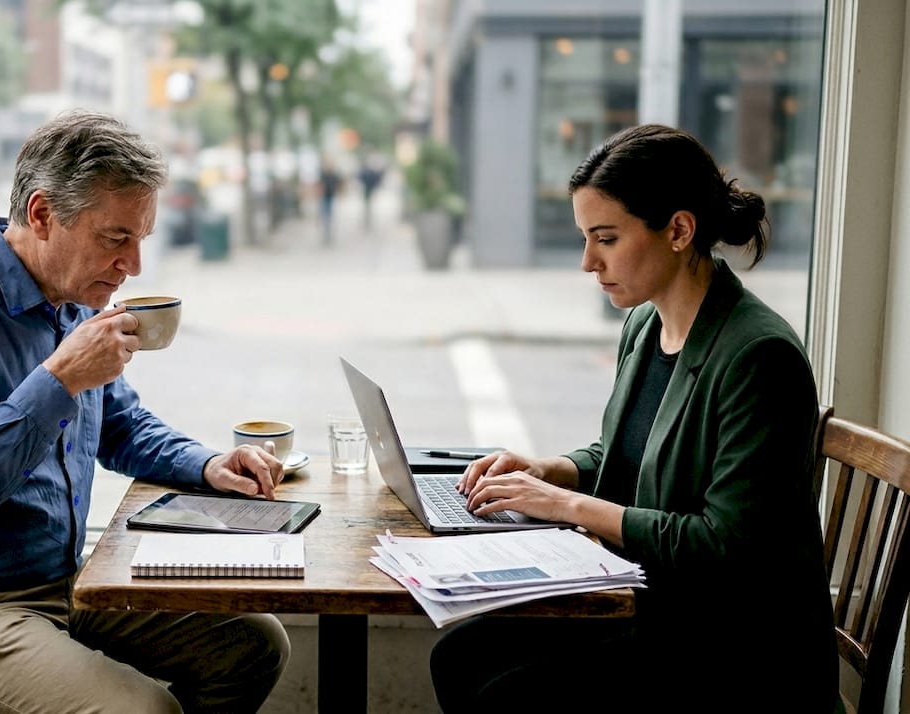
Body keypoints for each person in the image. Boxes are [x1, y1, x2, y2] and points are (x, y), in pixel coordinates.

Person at [0, 109, 290, 713]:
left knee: (253, 643)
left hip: (64, 582)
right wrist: (58, 379)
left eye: (142, 239)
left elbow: (118, 423)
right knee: (145, 713)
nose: (134, 266)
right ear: (41, 215)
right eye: (116, 239)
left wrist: (208, 463)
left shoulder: (69, 299)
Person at [429, 124, 837, 713]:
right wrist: (548, 471)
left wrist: (569, 506)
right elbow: (624, 455)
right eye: (585, 238)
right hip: (656, 605)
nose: (588, 262)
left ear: (678, 230)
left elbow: (725, 546)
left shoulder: (758, 356)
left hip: (733, 649)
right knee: (458, 656)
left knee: (504, 696)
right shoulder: (646, 325)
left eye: (606, 238)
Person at [318, 158, 342, 245]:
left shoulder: (334, 175)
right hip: (323, 197)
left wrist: (339, 193)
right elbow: (319, 185)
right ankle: (326, 233)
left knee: (329, 215)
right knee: (324, 215)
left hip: (330, 197)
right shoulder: (322, 174)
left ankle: (328, 233)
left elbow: (338, 184)